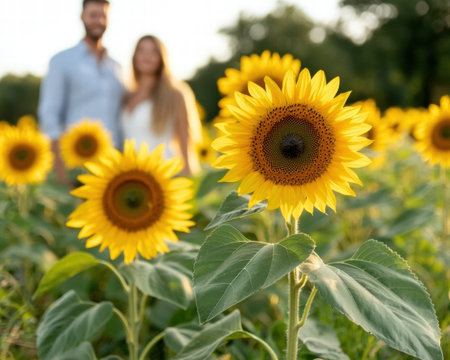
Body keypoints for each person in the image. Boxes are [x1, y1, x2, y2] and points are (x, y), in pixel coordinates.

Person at [38, 0, 124, 184]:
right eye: (93, 15)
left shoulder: (117, 67)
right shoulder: (62, 61)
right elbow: (50, 116)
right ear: (82, 17)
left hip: (113, 166)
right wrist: (61, 172)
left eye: (103, 16)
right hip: (76, 165)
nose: (98, 21)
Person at [121, 35, 202, 175]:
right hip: (133, 176)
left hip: (165, 173)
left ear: (162, 58)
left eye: (153, 52)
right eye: (141, 50)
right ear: (134, 57)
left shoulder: (174, 94)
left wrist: (189, 175)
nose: (147, 56)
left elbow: (185, 141)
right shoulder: (127, 96)